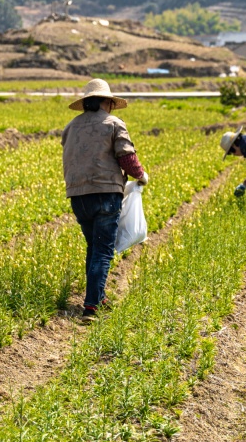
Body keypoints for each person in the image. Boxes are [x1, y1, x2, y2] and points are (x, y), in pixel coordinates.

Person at [61, 79, 148, 321]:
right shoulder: (113, 124)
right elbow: (127, 158)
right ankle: (91, 306)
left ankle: (98, 297)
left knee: (94, 247)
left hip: (78, 196)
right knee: (103, 251)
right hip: (106, 194)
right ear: (106, 102)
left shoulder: (70, 127)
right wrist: (141, 176)